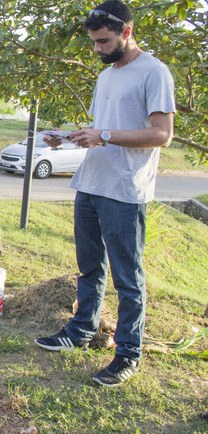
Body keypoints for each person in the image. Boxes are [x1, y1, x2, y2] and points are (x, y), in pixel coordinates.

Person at [35, 0, 175, 388]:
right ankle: (81, 331)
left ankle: (128, 353)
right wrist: (70, 137)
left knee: (128, 277)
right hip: (92, 183)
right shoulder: (105, 76)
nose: (97, 49)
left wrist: (105, 135)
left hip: (125, 192)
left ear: (126, 32)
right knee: (89, 268)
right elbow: (102, 130)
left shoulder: (154, 72)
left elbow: (162, 134)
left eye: (103, 41)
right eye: (93, 43)